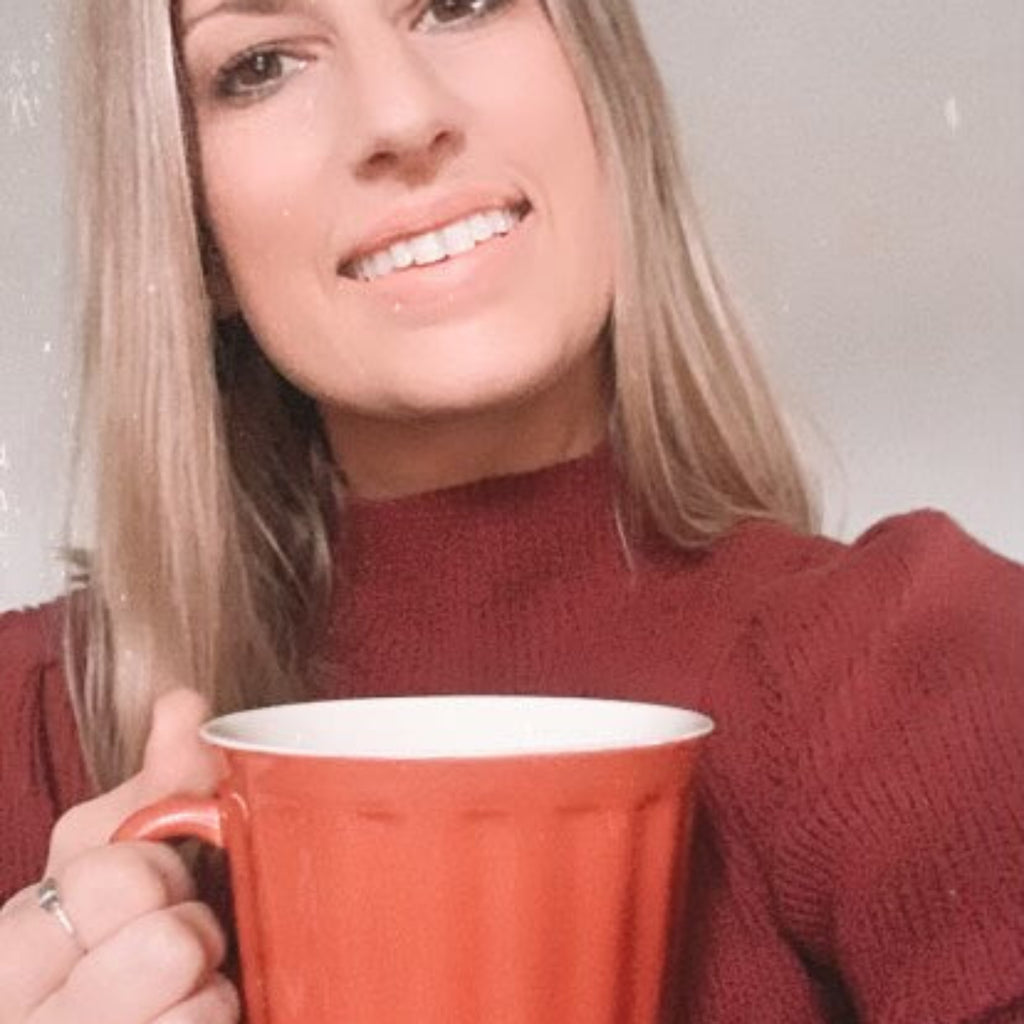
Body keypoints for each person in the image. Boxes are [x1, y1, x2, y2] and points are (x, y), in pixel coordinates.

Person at [1, 0, 1021, 1020]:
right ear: (192, 226)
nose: (400, 117)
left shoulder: (921, 658)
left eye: (458, 2)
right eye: (262, 64)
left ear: (598, 80)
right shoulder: (30, 729)